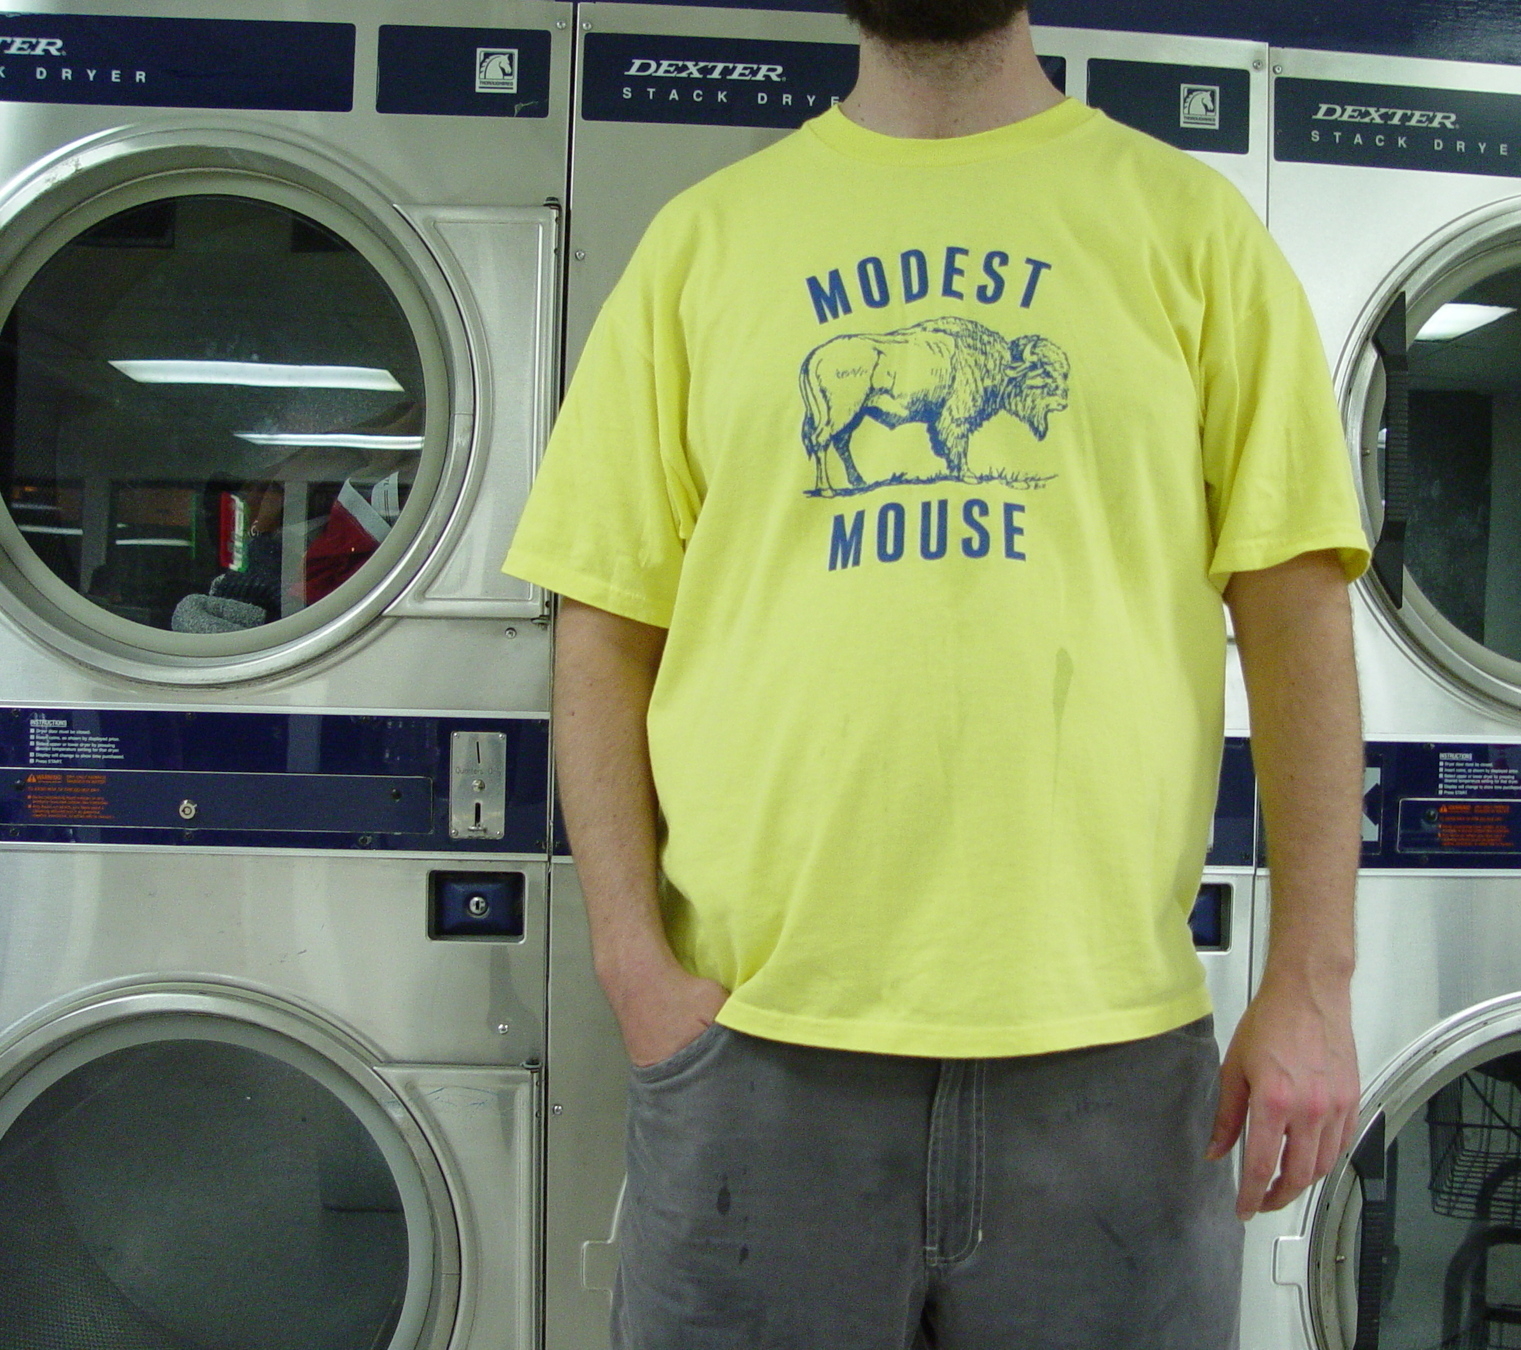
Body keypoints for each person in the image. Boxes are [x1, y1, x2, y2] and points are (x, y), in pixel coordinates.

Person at [504, 1, 1368, 1344]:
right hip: (755, 1042)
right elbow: (603, 621)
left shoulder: (1194, 234)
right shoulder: (701, 245)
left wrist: (1311, 983)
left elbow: (1299, 613)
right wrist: (632, 962)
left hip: (1114, 1051)